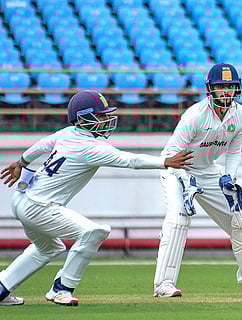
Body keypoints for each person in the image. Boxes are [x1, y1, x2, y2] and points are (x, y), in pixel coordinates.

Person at [0, 90, 193, 306]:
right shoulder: (92, 148)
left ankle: (1, 287)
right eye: (101, 116)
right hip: (39, 207)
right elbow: (130, 160)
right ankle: (61, 289)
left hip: (22, 200)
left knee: (49, 247)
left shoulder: (67, 133)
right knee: (94, 232)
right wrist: (165, 162)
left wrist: (22, 162)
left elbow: (43, 144)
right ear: (84, 118)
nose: (106, 120)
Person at [152, 63, 242, 297]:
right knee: (179, 219)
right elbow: (171, 155)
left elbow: (234, 150)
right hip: (177, 169)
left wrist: (230, 178)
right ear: (210, 89)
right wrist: (186, 182)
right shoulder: (194, 115)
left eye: (230, 87)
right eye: (221, 87)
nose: (226, 92)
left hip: (207, 170)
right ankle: (163, 285)